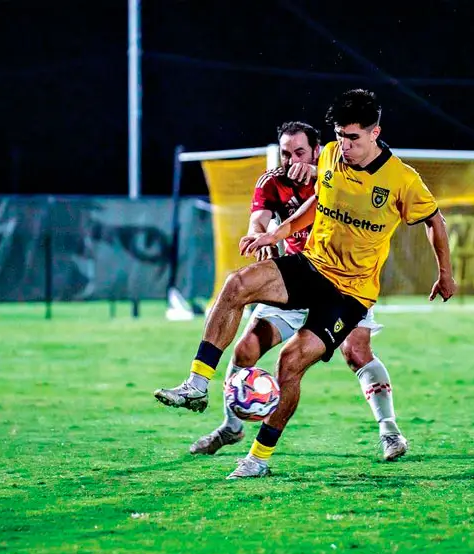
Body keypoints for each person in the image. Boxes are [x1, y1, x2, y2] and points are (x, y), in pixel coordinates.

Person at [155, 89, 456, 479]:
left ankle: (258, 458)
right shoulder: (329, 154)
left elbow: (435, 221)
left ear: (375, 132)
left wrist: (445, 274)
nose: (344, 145)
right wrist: (275, 234)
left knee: (291, 362)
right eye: (340, 135)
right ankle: (197, 382)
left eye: (353, 138)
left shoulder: (402, 180)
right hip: (312, 266)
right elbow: (318, 201)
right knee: (236, 284)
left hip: (350, 293)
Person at [174, 120, 409, 461]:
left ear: (317, 151)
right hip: (294, 280)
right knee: (246, 349)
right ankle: (232, 425)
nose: (291, 159)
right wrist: (262, 236)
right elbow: (258, 218)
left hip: (344, 284)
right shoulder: (272, 182)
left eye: (300, 152)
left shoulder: (342, 174)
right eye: (286, 153)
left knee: (357, 352)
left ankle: (389, 431)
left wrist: (316, 172)